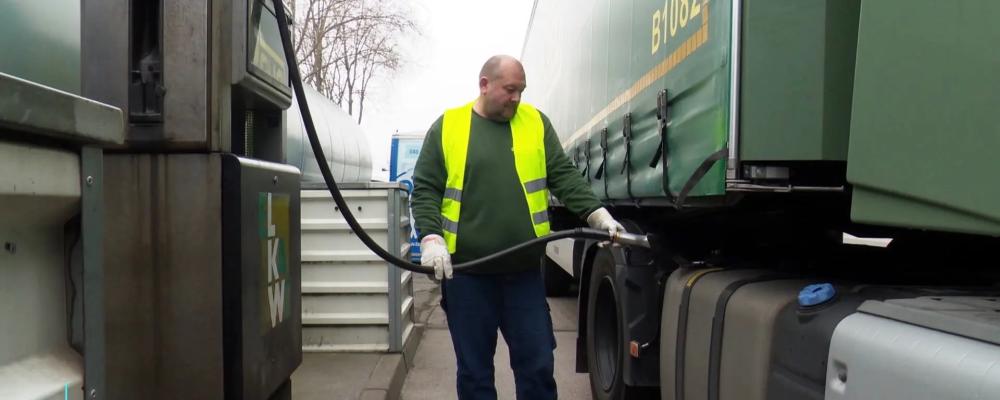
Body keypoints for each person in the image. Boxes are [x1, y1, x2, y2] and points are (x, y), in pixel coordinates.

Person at [410, 54, 625, 400]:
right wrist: (432, 237)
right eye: (510, 90)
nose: (516, 98)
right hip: (467, 276)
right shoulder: (449, 126)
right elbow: (425, 189)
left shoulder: (535, 123)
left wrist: (596, 214)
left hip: (523, 276)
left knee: (538, 367)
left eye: (521, 91)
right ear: (484, 84)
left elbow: (563, 176)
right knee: (475, 374)